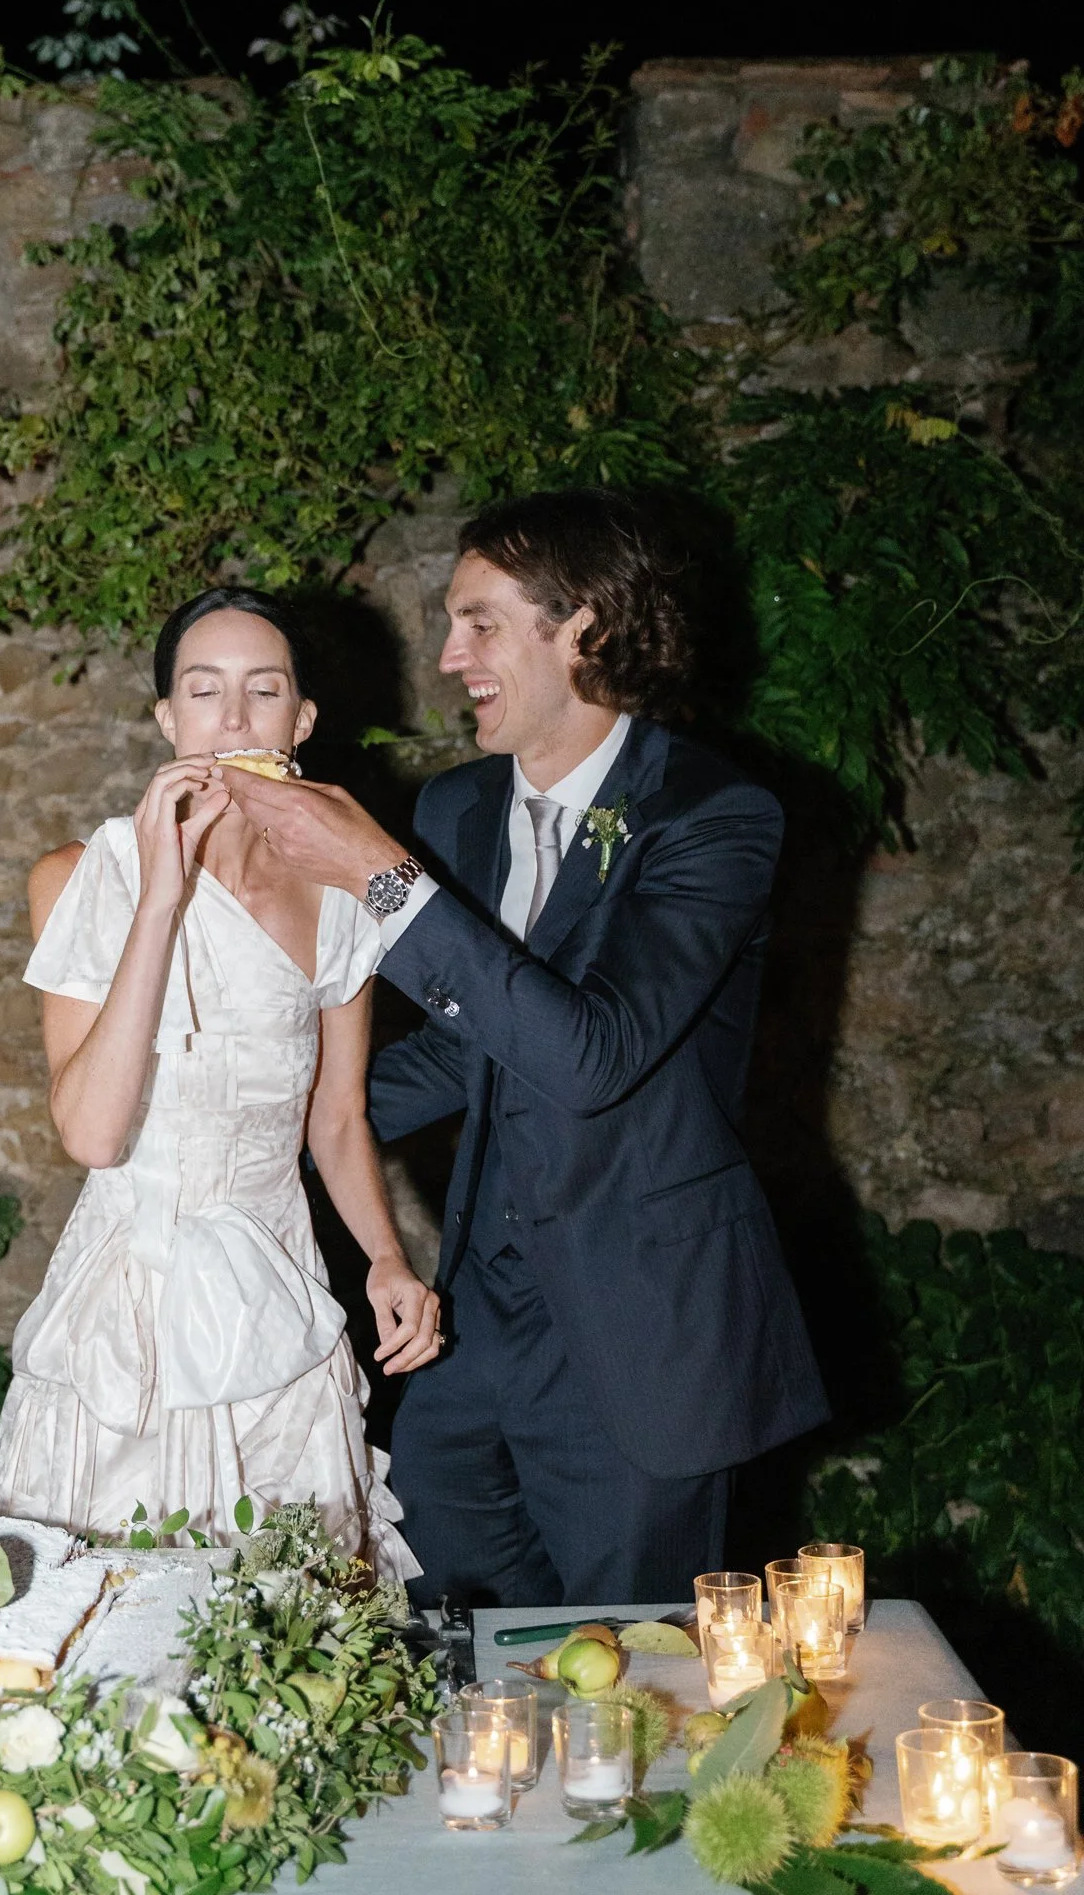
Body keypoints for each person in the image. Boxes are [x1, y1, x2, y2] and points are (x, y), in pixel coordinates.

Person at [224, 489, 830, 1606]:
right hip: (476, 1326)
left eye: (481, 623)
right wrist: (257, 1125)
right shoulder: (458, 810)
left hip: (641, 1336)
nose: (449, 658)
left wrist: (379, 877)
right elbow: (471, 1052)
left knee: (630, 1670)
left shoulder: (712, 816)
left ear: (583, 629)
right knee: (445, 1627)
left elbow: (592, 1054)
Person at [0, 585, 437, 1575]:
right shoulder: (80, 877)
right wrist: (160, 897)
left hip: (277, 1300)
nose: (233, 720)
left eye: (262, 691)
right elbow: (93, 1136)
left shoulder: (341, 890)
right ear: (167, 719)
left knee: (289, 1611)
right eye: (204, 691)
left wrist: (386, 1259)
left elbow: (338, 1116)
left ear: (300, 721)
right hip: (126, 1311)